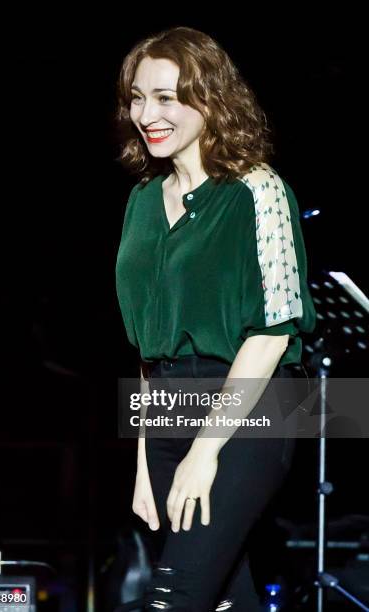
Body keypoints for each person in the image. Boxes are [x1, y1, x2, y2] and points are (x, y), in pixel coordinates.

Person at [114, 26, 316, 611]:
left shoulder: (257, 188)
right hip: (168, 409)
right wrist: (144, 458)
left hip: (250, 409)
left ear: (211, 99)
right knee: (229, 599)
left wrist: (205, 451)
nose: (146, 113)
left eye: (167, 97)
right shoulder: (142, 201)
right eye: (136, 97)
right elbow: (149, 348)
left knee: (174, 597)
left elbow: (274, 331)